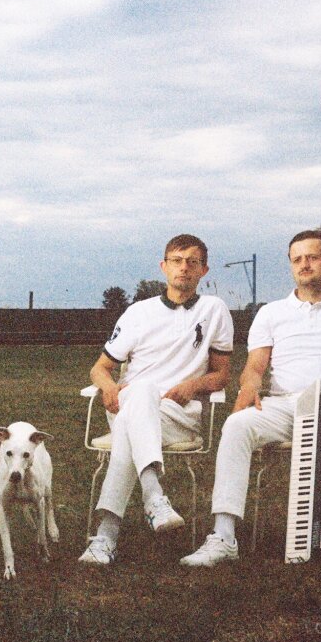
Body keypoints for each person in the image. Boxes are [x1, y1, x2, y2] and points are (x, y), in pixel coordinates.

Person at [181, 228, 321, 568]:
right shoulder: (271, 313)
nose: (304, 264)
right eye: (297, 259)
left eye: (313, 257)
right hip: (284, 405)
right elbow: (254, 367)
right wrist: (249, 386)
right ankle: (223, 536)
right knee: (236, 424)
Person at [79, 234, 234, 566]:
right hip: (128, 405)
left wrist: (194, 385)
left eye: (193, 262)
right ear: (164, 267)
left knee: (129, 427)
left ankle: (106, 537)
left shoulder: (214, 310)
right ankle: (153, 496)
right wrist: (107, 387)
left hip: (178, 414)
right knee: (142, 390)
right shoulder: (138, 312)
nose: (184, 268)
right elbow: (100, 368)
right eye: (177, 261)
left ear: (204, 270)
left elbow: (222, 375)